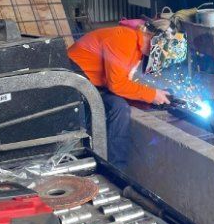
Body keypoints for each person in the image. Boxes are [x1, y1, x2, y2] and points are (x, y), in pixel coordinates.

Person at [67, 20, 170, 168]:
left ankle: (113, 164)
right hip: (74, 83)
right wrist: (151, 94)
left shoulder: (136, 48)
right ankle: (116, 168)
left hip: (90, 84)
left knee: (120, 104)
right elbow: (116, 85)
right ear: (157, 39)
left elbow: (122, 83)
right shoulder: (125, 39)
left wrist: (149, 98)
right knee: (119, 108)